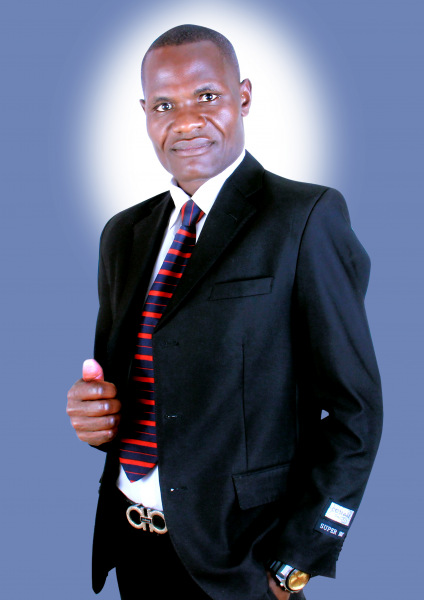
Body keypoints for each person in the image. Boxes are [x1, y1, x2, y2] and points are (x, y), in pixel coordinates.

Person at [66, 24, 383, 600]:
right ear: (145, 114)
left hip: (242, 564)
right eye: (164, 105)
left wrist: (296, 561)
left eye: (206, 96)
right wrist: (97, 417)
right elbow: (137, 396)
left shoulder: (304, 218)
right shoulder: (124, 234)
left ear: (244, 96)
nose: (185, 121)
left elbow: (354, 412)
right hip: (132, 548)